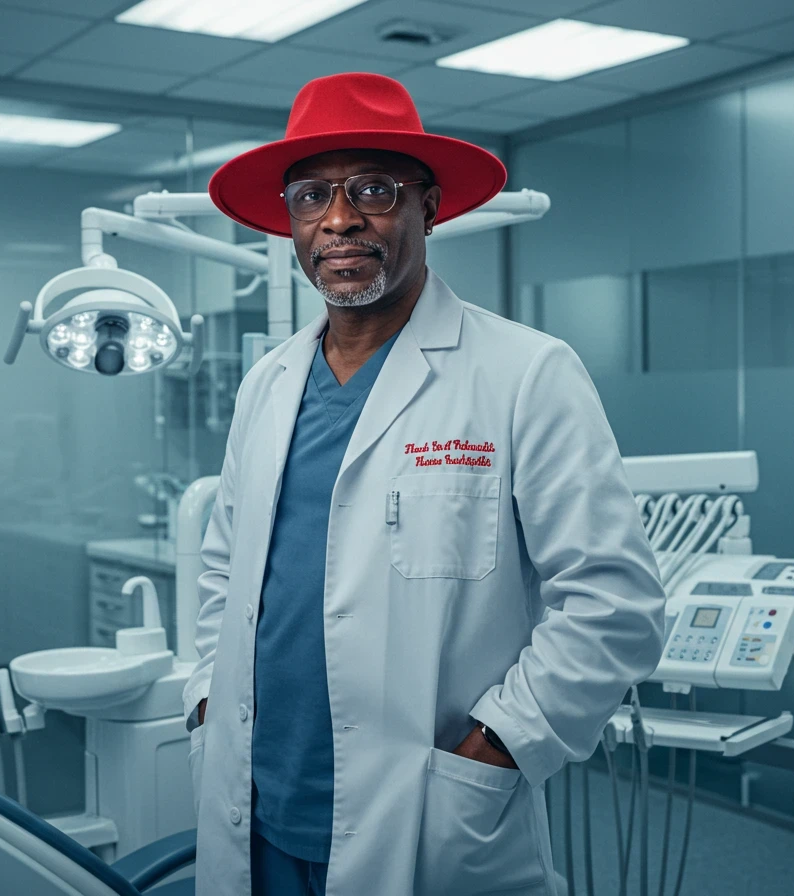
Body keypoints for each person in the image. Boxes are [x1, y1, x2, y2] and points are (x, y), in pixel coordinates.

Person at [183, 72, 665, 896]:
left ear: (429, 204)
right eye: (312, 195)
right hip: (255, 805)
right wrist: (204, 694)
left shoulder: (524, 373)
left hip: (428, 815)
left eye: (373, 188)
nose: (339, 219)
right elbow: (224, 570)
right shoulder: (267, 384)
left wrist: (499, 743)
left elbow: (614, 604)